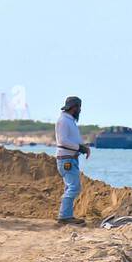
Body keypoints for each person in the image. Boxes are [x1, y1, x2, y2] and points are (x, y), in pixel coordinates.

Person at [55, 96, 90, 226]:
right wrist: (79, 147)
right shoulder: (63, 121)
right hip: (66, 159)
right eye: (79, 107)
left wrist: (83, 148)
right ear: (74, 107)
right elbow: (63, 141)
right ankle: (64, 216)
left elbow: (72, 140)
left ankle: (66, 215)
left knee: (70, 187)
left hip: (70, 158)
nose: (80, 110)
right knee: (74, 187)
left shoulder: (69, 121)